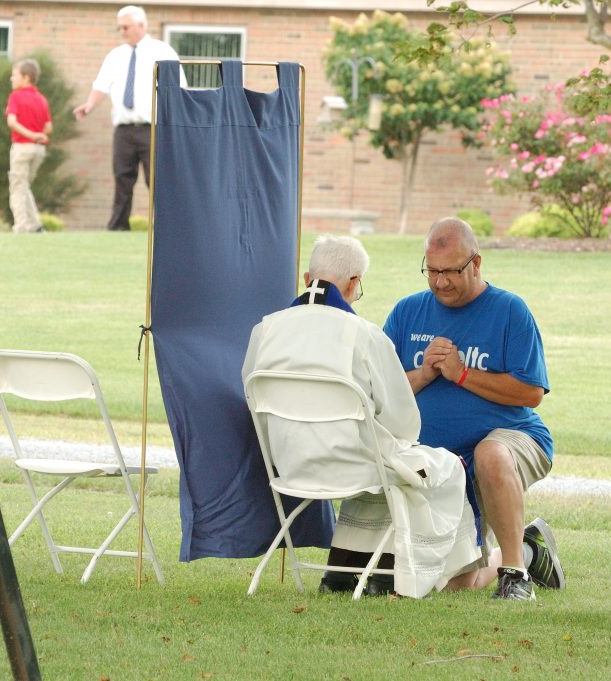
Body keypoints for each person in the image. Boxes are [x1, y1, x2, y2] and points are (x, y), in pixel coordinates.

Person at [241, 236, 482, 599]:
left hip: (289, 465)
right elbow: (403, 422)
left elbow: (253, 398)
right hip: (353, 466)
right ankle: (410, 574)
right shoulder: (364, 335)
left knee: (390, 467)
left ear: (309, 277)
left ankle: (346, 569)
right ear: (354, 283)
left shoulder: (265, 329)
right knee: (441, 469)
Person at [383, 217, 564, 601]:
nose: (440, 282)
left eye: (451, 271)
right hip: (435, 462)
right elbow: (380, 391)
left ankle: (516, 576)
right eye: (431, 271)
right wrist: (425, 373)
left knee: (490, 453)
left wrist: (463, 374)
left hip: (511, 439)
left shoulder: (510, 311)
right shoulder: (406, 313)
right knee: (453, 586)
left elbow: (531, 392)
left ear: (476, 264)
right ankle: (532, 549)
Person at [72, 5, 182, 231]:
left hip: (153, 128)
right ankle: (118, 226)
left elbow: (178, 88)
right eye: (119, 27)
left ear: (141, 25)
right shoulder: (116, 55)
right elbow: (101, 85)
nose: (122, 31)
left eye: (126, 27)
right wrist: (89, 105)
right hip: (124, 130)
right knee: (122, 178)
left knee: (157, 180)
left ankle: (166, 227)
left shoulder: (162, 52)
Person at [5, 59, 52, 234]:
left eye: (14, 75)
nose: (11, 78)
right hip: (39, 150)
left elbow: (11, 121)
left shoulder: (15, 97)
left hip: (22, 148)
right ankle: (36, 225)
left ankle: (21, 226)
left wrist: (30, 135)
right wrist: (38, 134)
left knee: (17, 188)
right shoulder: (41, 99)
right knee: (23, 185)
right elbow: (48, 127)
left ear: (26, 77)